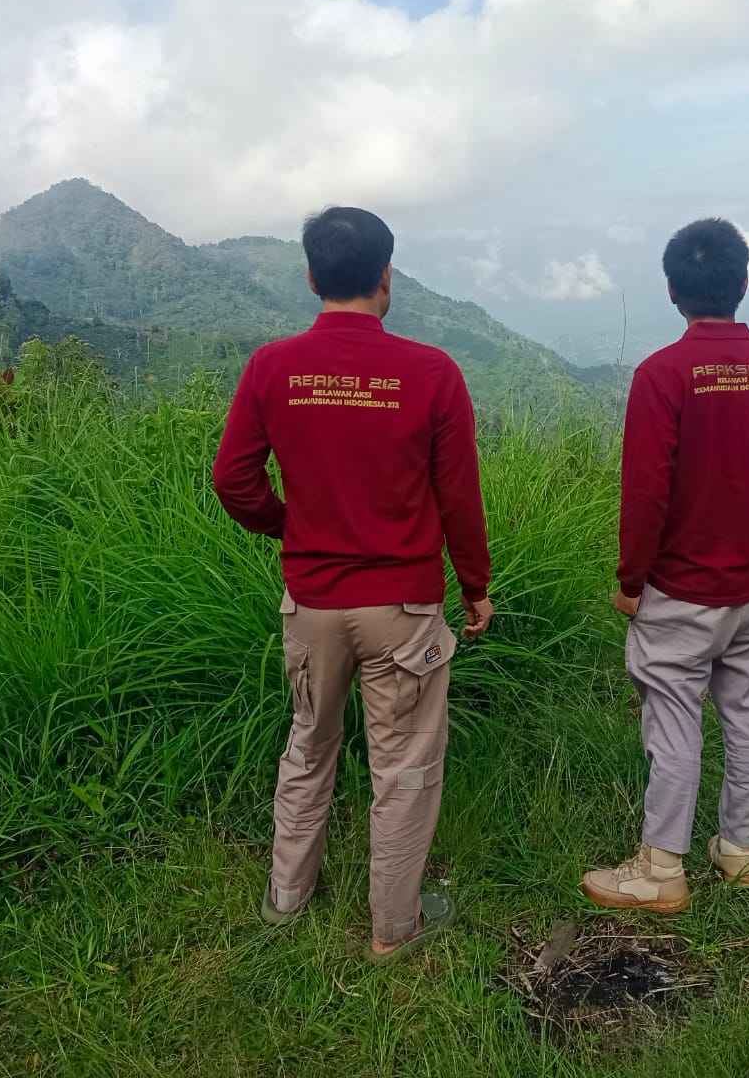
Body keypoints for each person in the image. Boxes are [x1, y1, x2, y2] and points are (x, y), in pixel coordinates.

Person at [213, 206, 494, 961]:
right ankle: (392, 929)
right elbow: (458, 497)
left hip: (312, 604)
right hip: (402, 607)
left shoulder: (272, 367)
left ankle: (285, 900)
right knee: (402, 769)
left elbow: (232, 479)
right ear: (386, 276)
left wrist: (289, 525)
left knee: (308, 746)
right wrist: (475, 586)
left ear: (310, 277)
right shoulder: (432, 373)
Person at [582, 217, 749, 912]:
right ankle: (738, 853)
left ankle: (660, 870)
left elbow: (646, 491)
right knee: (747, 718)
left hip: (680, 590)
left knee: (674, 720)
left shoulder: (662, 374)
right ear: (742, 284)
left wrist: (631, 581)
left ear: (670, 290)